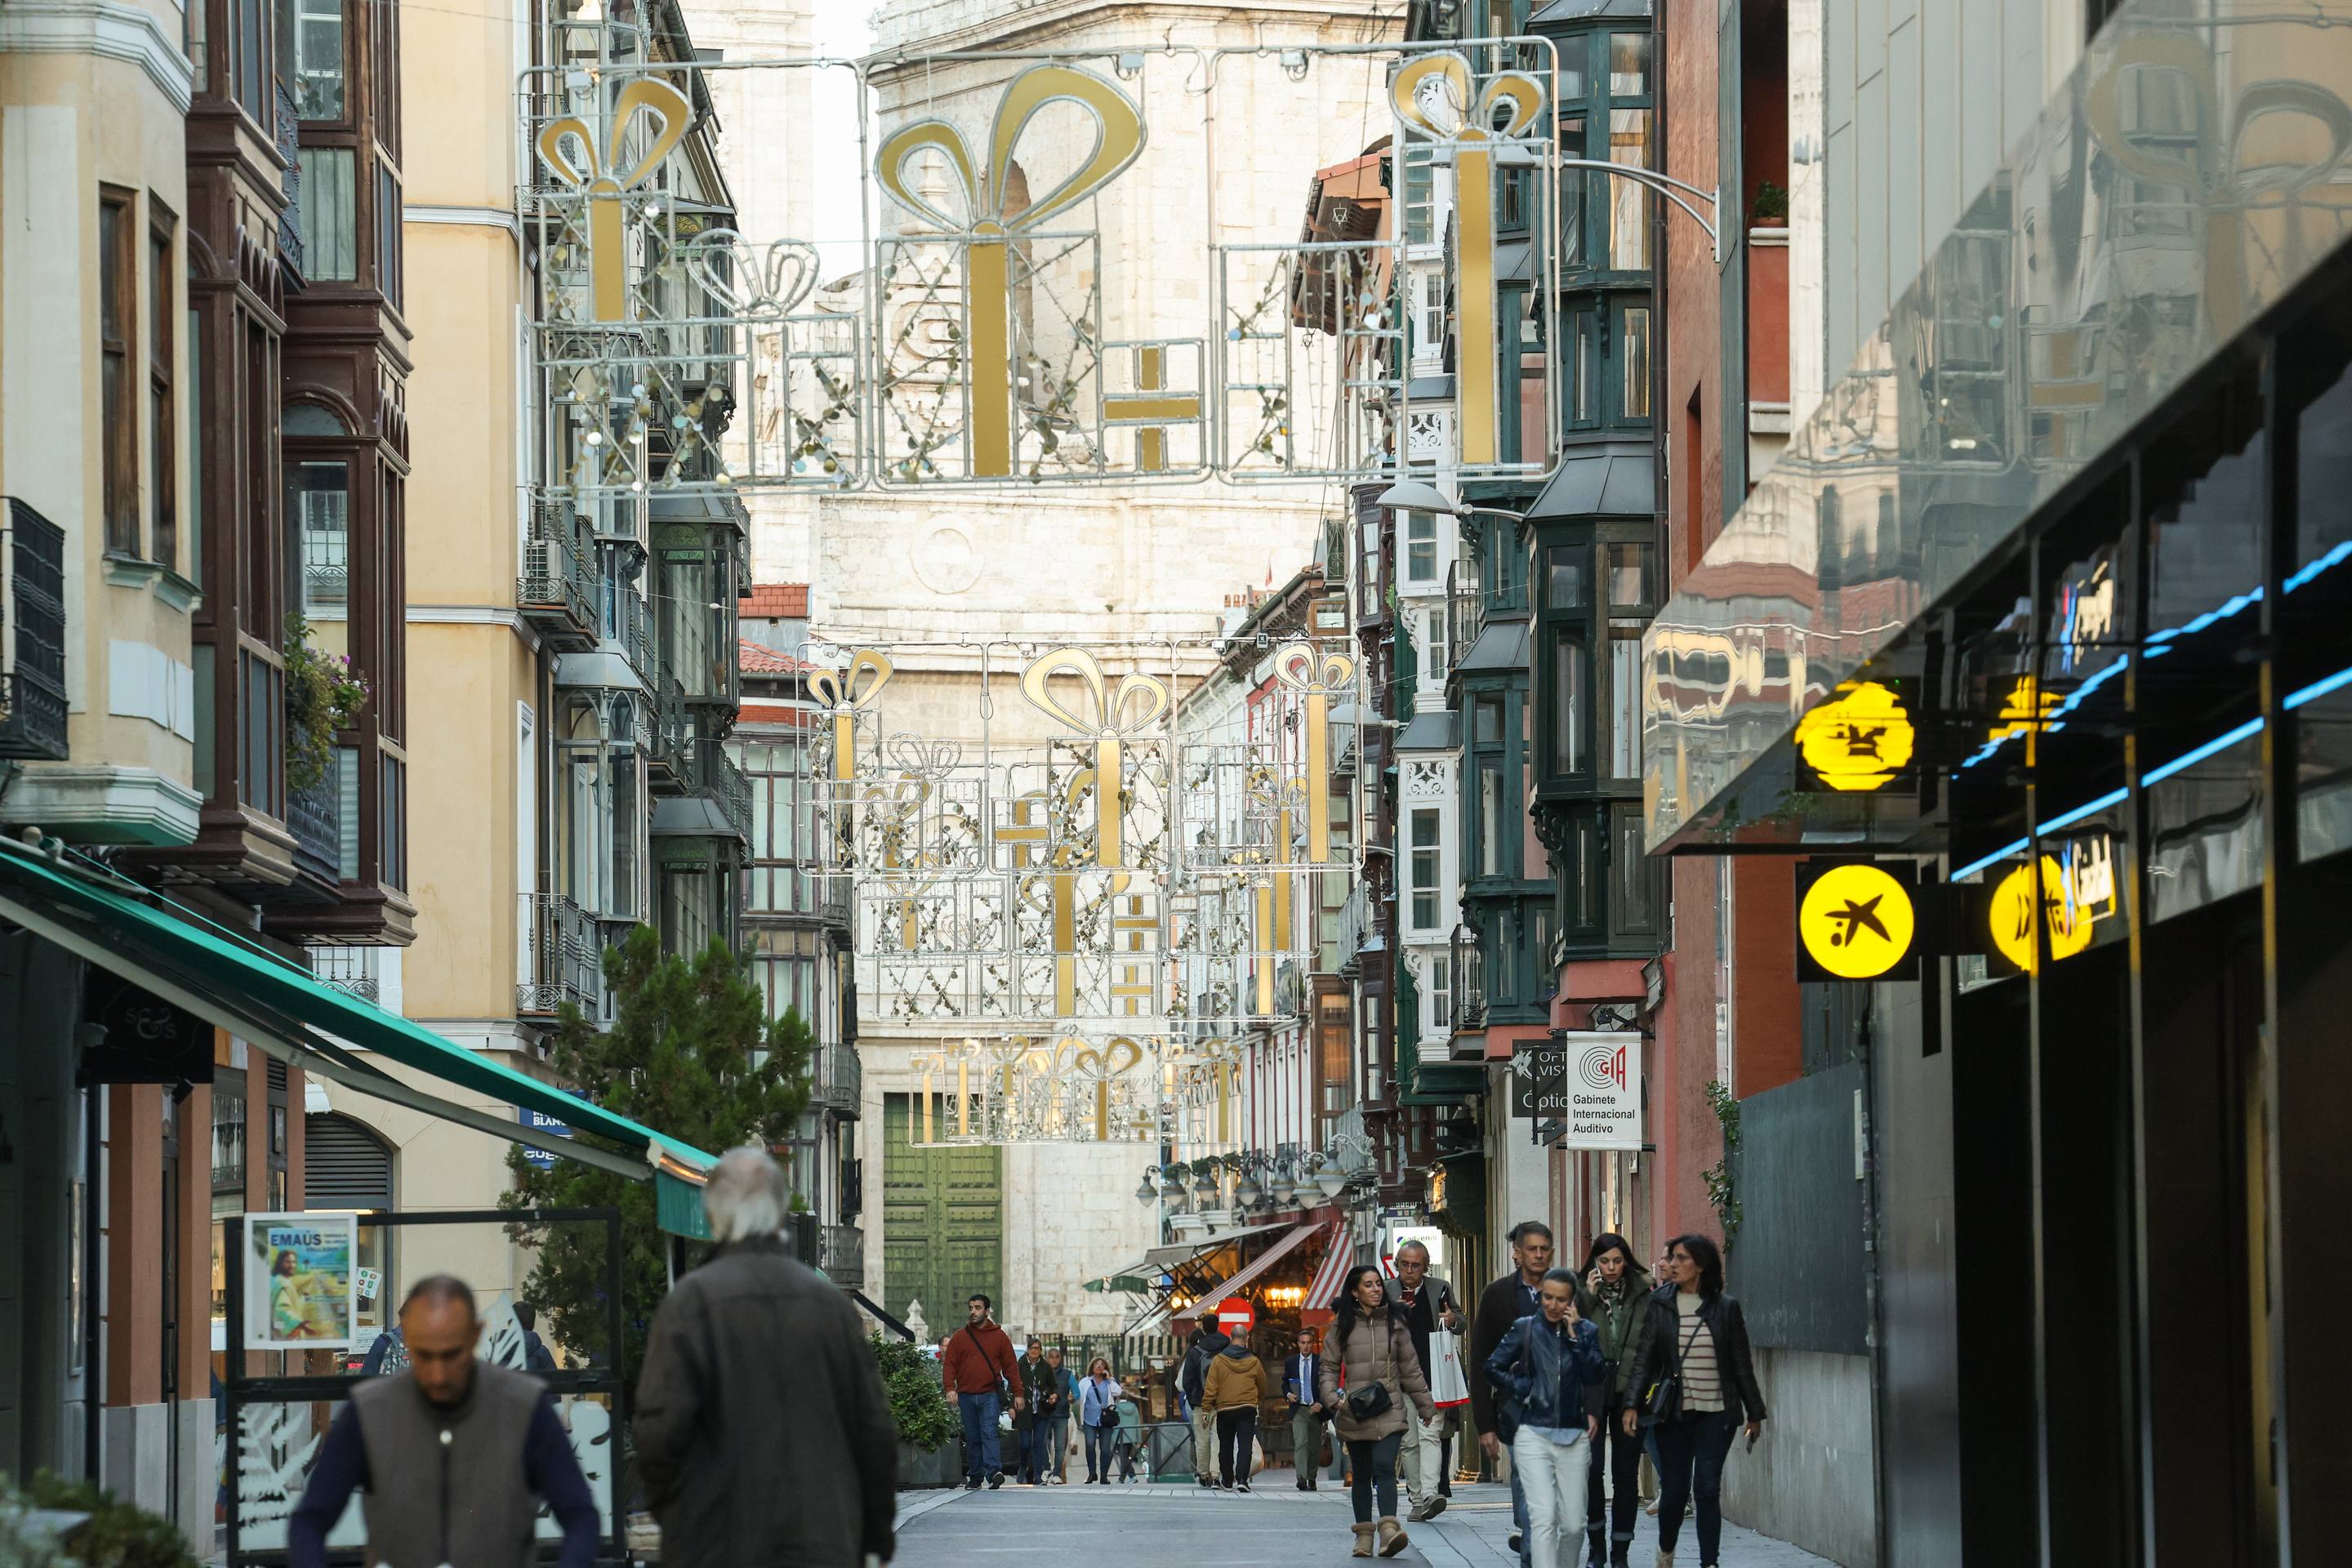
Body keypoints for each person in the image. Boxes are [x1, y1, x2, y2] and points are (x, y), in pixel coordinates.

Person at [632, 1148, 899, 1567]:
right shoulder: (831, 1308)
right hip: (823, 1541)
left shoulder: (691, 1304)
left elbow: (659, 1432)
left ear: (714, 1216)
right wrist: (874, 1534)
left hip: (716, 1542)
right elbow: (874, 1431)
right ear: (778, 1214)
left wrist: (683, 1514)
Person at [287, 1275, 599, 1568]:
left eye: (451, 1355)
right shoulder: (370, 1411)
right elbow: (310, 1520)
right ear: (406, 1338)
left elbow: (580, 1515)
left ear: (476, 1335)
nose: (438, 1375)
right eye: (423, 1355)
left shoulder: (524, 1406)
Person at [1623, 1234, 1767, 1568]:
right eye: (1670, 1258)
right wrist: (1631, 1404)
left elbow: (1740, 1363)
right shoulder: (1660, 1304)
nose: (1671, 1264)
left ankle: (1709, 1562)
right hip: (1672, 1414)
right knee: (1674, 1492)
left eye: (1680, 1258)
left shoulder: (1725, 1308)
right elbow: (1645, 1357)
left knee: (1706, 1486)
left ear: (1700, 1265)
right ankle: (1666, 1551)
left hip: (1717, 1414)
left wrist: (1755, 1413)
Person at [1487, 1268, 1608, 1568]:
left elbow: (1595, 1374)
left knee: (1573, 1525)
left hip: (1574, 1434)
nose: (1553, 1305)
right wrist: (1519, 1386)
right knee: (1542, 1518)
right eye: (1547, 1297)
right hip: (1532, 1433)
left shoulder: (1587, 1332)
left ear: (1572, 1301)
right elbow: (1492, 1366)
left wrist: (1575, 1336)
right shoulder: (1525, 1328)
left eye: (1561, 1299)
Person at [1318, 1263, 1436, 1558]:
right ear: (1355, 1292)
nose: (1376, 1289)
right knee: (1361, 1474)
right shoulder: (1341, 1325)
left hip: (1389, 1408)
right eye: (1368, 1285)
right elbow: (1328, 1367)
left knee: (1385, 1468)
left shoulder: (1395, 1323)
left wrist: (1425, 1404)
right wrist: (1333, 1399)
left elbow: (1411, 1368)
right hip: (1355, 1410)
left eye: (1378, 1284)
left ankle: (1388, 1530)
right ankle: (1363, 1537)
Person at [1472, 1221, 1557, 1566]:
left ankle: (1535, 1542)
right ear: (1518, 1254)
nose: (1539, 1255)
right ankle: (1532, 1547)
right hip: (1518, 1407)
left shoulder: (1568, 1289)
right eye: (1532, 1249)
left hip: (1564, 1407)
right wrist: (1485, 1425)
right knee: (1527, 1478)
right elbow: (1481, 1359)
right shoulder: (1497, 1295)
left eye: (1545, 1249)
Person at [1575, 1234, 1653, 1566]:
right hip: (1589, 1393)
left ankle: (1620, 1550)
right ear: (1594, 1262)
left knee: (1625, 1475)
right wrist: (1587, 1299)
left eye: (1617, 1261)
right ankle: (1596, 1547)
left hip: (1629, 1394)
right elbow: (1568, 1337)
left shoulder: (1642, 1295)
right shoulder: (1579, 1292)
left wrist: (1639, 1395)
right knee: (1591, 1470)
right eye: (1604, 1261)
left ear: (1627, 1261)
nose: (1610, 1268)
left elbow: (1649, 1347)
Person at [1386, 1239, 1463, 1521]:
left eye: (1415, 1265)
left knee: (1432, 1434)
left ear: (1425, 1267)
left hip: (1433, 1376)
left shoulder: (1440, 1288)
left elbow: (1462, 1322)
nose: (1409, 1270)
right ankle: (1418, 1500)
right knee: (1409, 1441)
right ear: (1397, 1265)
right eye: (1404, 1265)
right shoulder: (1385, 1290)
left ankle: (1431, 1494)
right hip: (1400, 1377)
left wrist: (1452, 1318)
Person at [940, 1291, 1023, 1490]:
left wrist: (1018, 1393)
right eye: (970, 1308)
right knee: (973, 1437)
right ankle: (975, 1476)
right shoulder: (960, 1337)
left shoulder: (1000, 1337)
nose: (973, 1312)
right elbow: (950, 1364)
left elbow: (1011, 1366)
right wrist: (950, 1388)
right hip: (967, 1396)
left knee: (989, 1433)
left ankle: (993, 1472)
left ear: (987, 1311)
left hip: (989, 1395)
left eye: (977, 1308)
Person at [1202, 1327, 1268, 1490]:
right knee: (1245, 1445)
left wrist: (1206, 1408)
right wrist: (1255, 1400)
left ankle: (1227, 1480)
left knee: (1226, 1445)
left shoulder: (1218, 1360)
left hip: (1225, 1409)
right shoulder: (1254, 1362)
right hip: (1247, 1408)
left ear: (1231, 1337)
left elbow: (1211, 1387)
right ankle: (1242, 1480)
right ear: (1246, 1339)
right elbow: (1262, 1384)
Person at [1178, 1321, 1231, 1488]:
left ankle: (1203, 1474)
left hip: (1201, 1402)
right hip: (1222, 1401)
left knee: (1202, 1440)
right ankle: (1216, 1475)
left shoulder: (1195, 1352)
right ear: (1218, 1326)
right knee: (1219, 1439)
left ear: (1204, 1328)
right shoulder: (1226, 1347)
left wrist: (1194, 1397)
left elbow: (1187, 1380)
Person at [1284, 1329, 1329, 1490]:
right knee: (1301, 1443)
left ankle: (1311, 1478)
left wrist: (1321, 1403)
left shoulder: (1321, 1362)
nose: (1306, 1346)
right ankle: (1301, 1478)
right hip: (1299, 1408)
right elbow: (1285, 1382)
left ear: (1313, 1344)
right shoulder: (1291, 1362)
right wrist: (1288, 1394)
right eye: (1302, 1343)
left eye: (1309, 1342)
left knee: (1314, 1446)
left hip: (1316, 1409)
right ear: (1298, 1344)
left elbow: (1327, 1385)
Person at [1078, 1356, 1123, 1482]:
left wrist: (1110, 1379)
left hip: (1105, 1420)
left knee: (1105, 1448)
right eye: (1096, 1364)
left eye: (1102, 1364)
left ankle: (1104, 1475)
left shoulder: (1109, 1382)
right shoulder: (1084, 1382)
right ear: (1092, 1367)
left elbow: (1118, 1392)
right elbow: (1079, 1397)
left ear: (1105, 1369)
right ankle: (1092, 1473)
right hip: (1089, 1419)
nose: (1099, 1366)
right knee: (1090, 1445)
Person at [1015, 1337, 1053, 1483]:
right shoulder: (1020, 1365)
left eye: (1037, 1348)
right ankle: (1023, 1466)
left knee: (1039, 1443)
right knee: (1025, 1443)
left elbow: (1053, 1385)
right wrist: (1011, 1406)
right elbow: (1012, 1386)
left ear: (1041, 1351)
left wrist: (1053, 1395)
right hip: (1024, 1411)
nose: (1034, 1351)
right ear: (1028, 1350)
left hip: (1041, 1411)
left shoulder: (1045, 1367)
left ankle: (1037, 1475)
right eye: (1032, 1348)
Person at [1040, 1345, 1076, 1482]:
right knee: (1042, 1442)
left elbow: (1076, 1392)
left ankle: (1057, 1474)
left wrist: (1072, 1397)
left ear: (1060, 1359)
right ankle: (1047, 1468)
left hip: (1061, 1414)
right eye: (1051, 1357)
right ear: (1047, 1358)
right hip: (1045, 1413)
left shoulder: (1067, 1374)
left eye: (1057, 1357)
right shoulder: (1042, 1372)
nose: (1054, 1360)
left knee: (1060, 1446)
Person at [514, 1302, 558, 1374]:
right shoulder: (542, 1353)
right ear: (533, 1325)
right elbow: (555, 1381)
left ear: (509, 1322)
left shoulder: (491, 1350)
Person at [1113, 1385, 1143, 1481]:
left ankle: (1130, 1476)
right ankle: (1124, 1478)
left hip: (1120, 1436)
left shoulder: (1115, 1408)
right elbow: (1138, 1423)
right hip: (1132, 1436)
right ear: (1127, 1397)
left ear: (1118, 1397)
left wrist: (1112, 1439)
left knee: (1124, 1458)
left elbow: (1114, 1424)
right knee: (1125, 1458)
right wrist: (1139, 1439)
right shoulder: (1134, 1408)